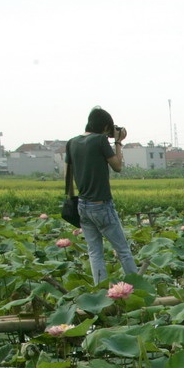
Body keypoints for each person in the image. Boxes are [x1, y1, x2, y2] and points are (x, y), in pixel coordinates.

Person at [68, 107, 138, 284]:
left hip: (82, 205)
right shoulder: (100, 140)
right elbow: (118, 166)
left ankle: (101, 290)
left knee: (94, 252)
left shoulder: (72, 142)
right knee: (122, 250)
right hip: (101, 205)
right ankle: (137, 287)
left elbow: (67, 175)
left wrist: (72, 199)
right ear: (106, 126)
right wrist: (118, 142)